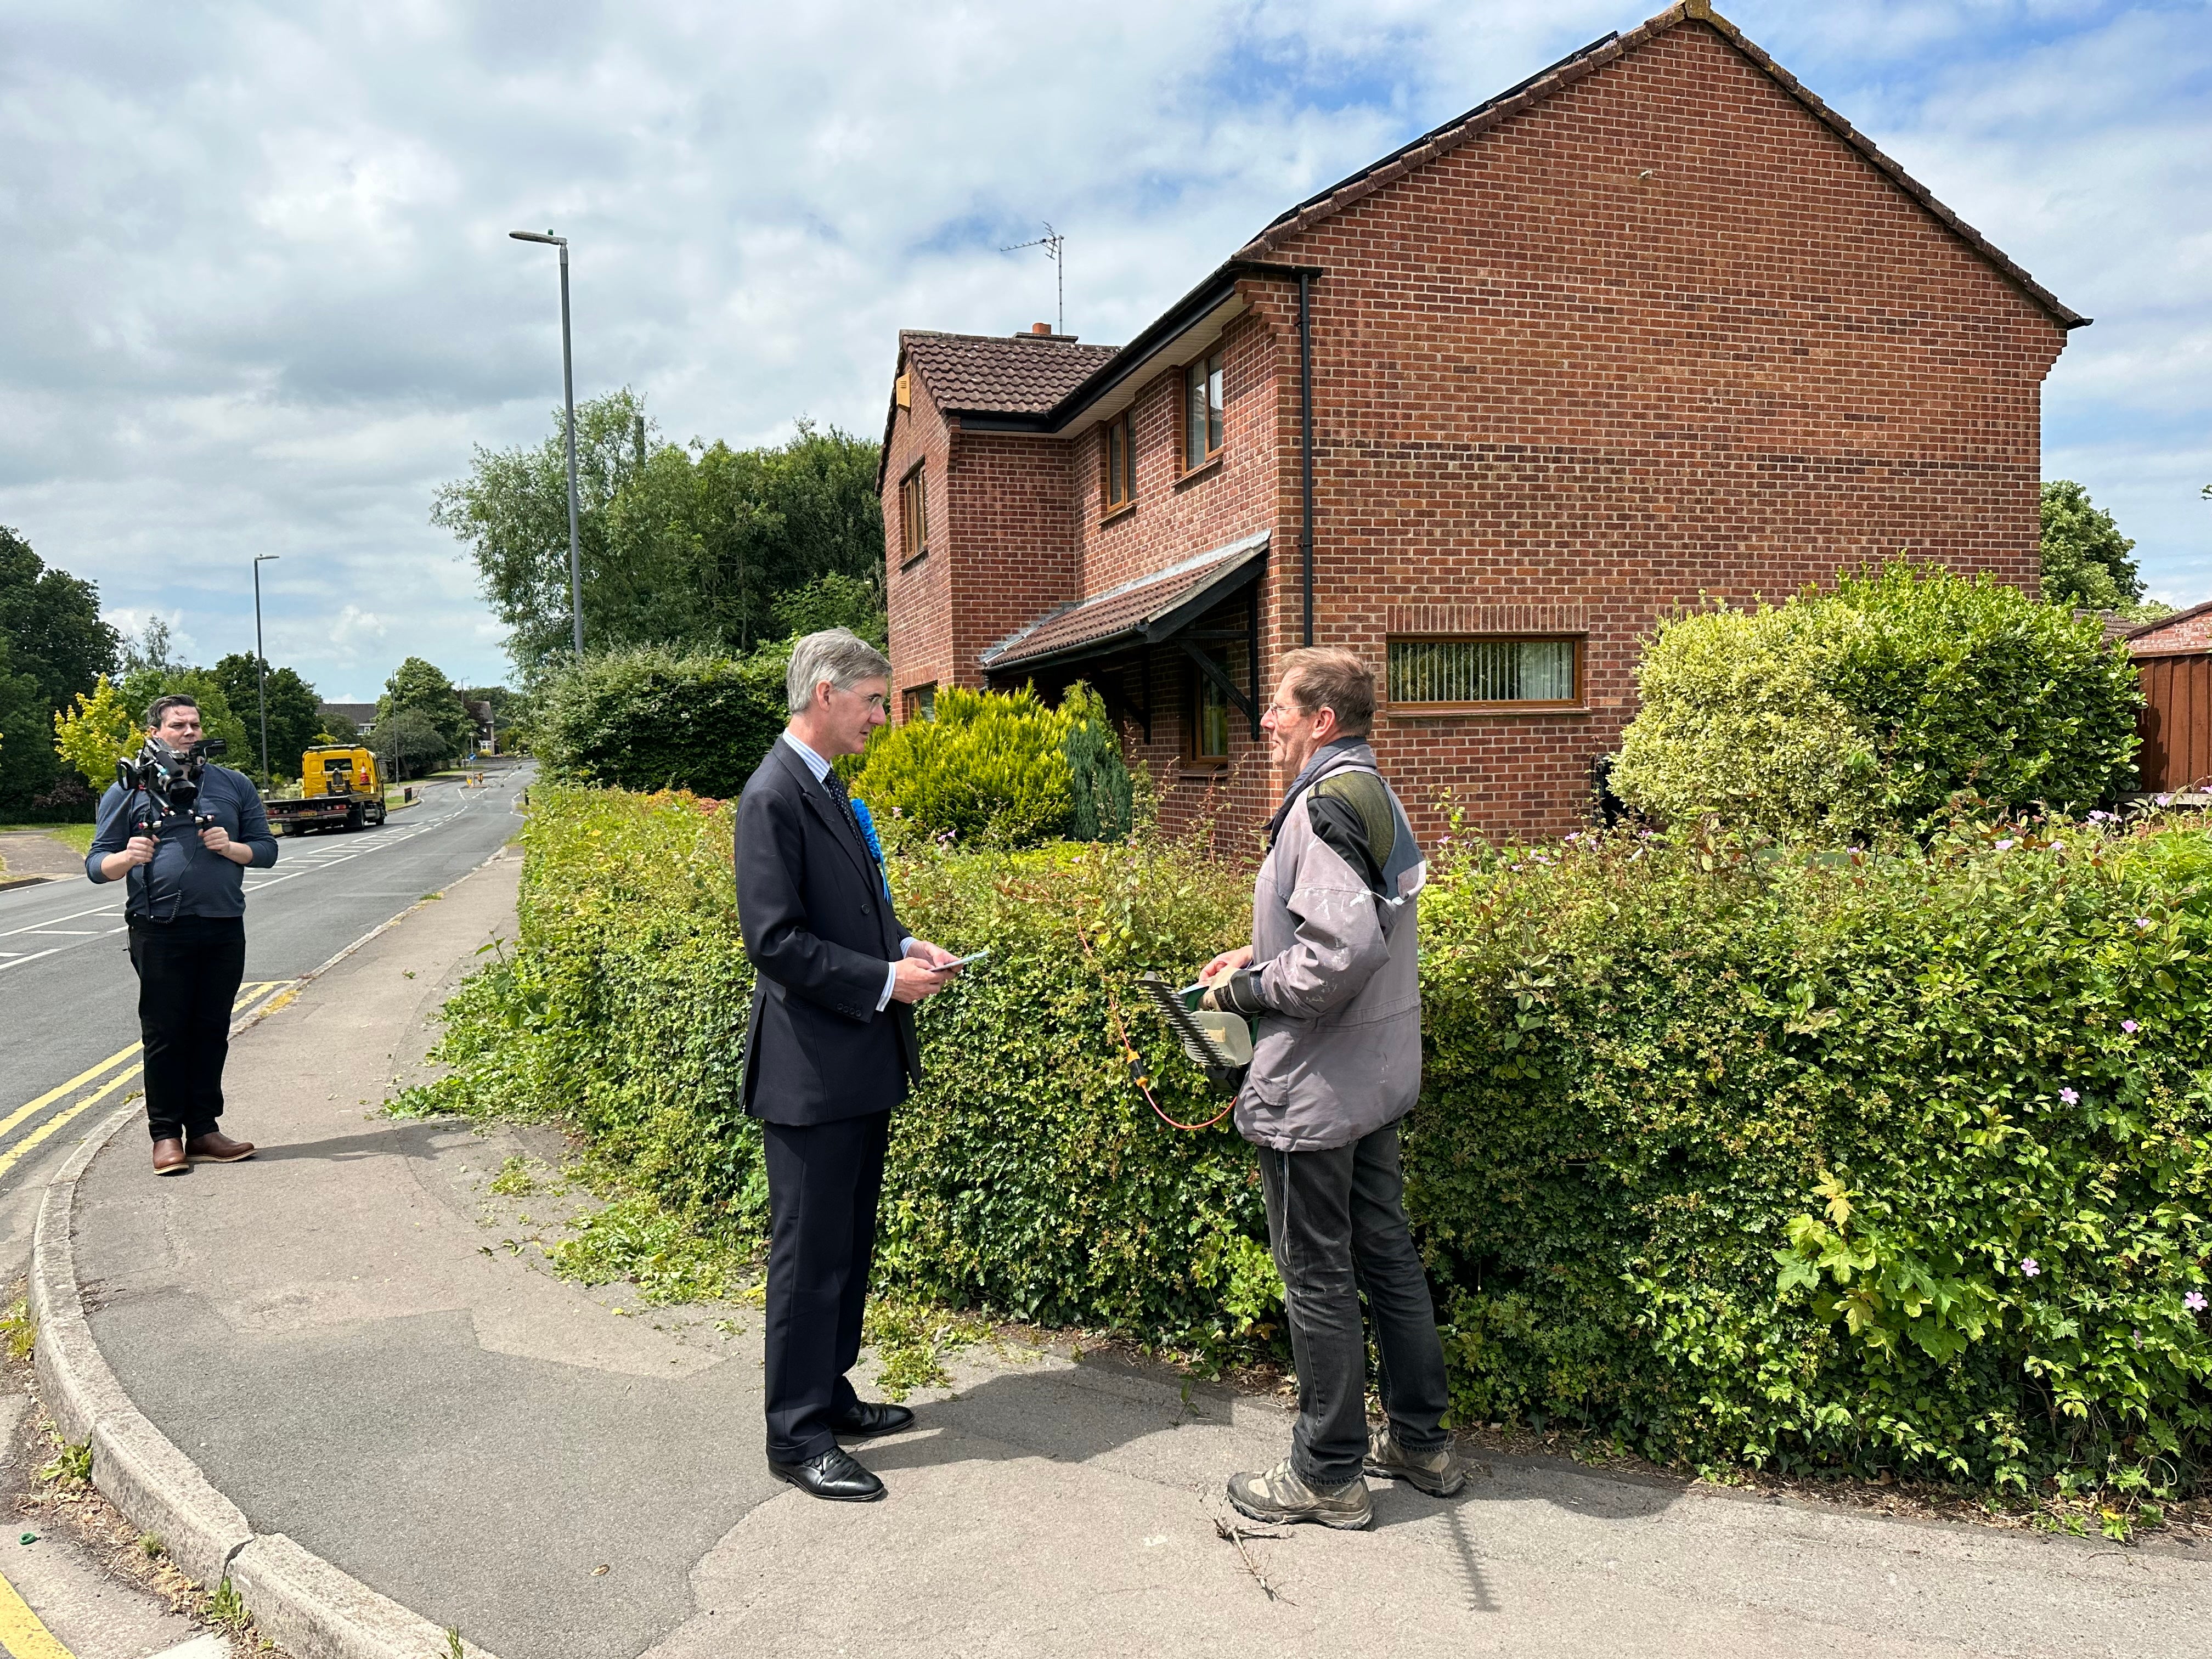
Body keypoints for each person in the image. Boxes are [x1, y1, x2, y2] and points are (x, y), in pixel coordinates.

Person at [1199, 646, 1462, 1530]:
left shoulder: (1319, 806)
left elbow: (1341, 952)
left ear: (1321, 720)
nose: (1265, 722)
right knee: (1383, 1249)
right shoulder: (1374, 794)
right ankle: (1420, 1444)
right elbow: (1362, 923)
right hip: (1374, 1079)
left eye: (1278, 707)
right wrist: (1262, 953)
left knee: (1316, 1272)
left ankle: (1327, 1473)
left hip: (1316, 1089)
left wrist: (1247, 990)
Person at [735, 629, 966, 1503]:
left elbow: (843, 913)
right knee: (807, 1256)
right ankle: (795, 1438)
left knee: (845, 1246)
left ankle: (827, 1396)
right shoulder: (773, 794)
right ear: (825, 694)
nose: (881, 716)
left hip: (853, 1061)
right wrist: (884, 981)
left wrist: (904, 947)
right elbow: (776, 942)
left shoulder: (824, 787)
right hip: (811, 1074)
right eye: (872, 700)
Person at [86, 693, 276, 1176]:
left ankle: (204, 1129)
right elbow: (96, 865)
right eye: (177, 725)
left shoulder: (232, 784)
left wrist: (232, 848)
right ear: (155, 733)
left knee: (211, 1030)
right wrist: (127, 858)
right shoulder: (128, 791)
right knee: (167, 1033)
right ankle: (166, 1135)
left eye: (194, 724)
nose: (189, 732)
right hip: (158, 927)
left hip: (222, 924)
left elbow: (267, 849)